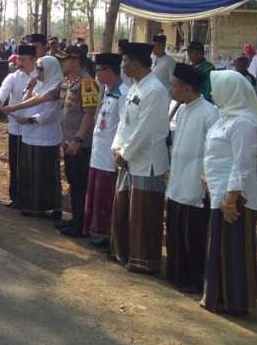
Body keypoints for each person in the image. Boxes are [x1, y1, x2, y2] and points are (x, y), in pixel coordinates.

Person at [201, 70, 257, 314]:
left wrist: (231, 199)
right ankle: (218, 297)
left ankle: (236, 301)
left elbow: (243, 163)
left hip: (236, 198)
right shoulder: (224, 117)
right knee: (220, 247)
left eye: (217, 87)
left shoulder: (243, 123)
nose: (213, 93)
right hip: (219, 193)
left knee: (235, 250)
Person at [110, 42, 171, 274]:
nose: (122, 66)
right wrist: (117, 147)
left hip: (147, 161)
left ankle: (144, 260)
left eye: (124, 62)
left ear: (135, 63)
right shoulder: (135, 87)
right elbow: (124, 122)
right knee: (126, 209)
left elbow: (146, 129)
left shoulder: (155, 90)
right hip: (128, 157)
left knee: (143, 213)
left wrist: (126, 153)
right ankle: (125, 253)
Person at [164, 63, 219, 293]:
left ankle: (193, 278)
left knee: (192, 235)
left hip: (195, 183)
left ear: (187, 88)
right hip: (177, 179)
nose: (171, 90)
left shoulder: (209, 112)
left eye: (174, 86)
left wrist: (204, 179)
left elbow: (213, 151)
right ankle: (175, 273)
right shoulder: (184, 109)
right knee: (175, 230)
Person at [84, 53, 129, 247]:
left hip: (110, 154)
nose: (96, 76)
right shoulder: (108, 90)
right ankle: (95, 231)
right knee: (96, 193)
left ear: (109, 71)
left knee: (106, 196)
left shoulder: (124, 93)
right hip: (98, 153)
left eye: (98, 71)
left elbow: (125, 127)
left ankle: (106, 234)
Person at [11, 55, 63, 219]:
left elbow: (51, 113)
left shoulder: (57, 86)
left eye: (40, 69)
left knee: (45, 172)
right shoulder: (38, 84)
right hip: (29, 134)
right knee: (29, 171)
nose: (37, 72)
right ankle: (31, 204)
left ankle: (51, 206)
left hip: (46, 137)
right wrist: (30, 86)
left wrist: (30, 120)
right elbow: (26, 101)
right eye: (37, 68)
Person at [55, 45, 99, 237]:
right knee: (73, 180)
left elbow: (89, 115)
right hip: (67, 141)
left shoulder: (88, 83)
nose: (61, 63)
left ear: (74, 61)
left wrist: (78, 139)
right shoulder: (68, 81)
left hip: (80, 144)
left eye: (64, 60)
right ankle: (74, 219)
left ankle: (81, 224)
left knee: (80, 183)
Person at [0, 44, 35, 209]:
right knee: (15, 163)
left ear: (33, 60)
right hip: (16, 127)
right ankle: (16, 197)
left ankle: (30, 198)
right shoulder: (13, 77)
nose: (20, 63)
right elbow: (3, 90)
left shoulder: (39, 77)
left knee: (30, 164)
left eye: (23, 60)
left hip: (34, 128)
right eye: (19, 59)